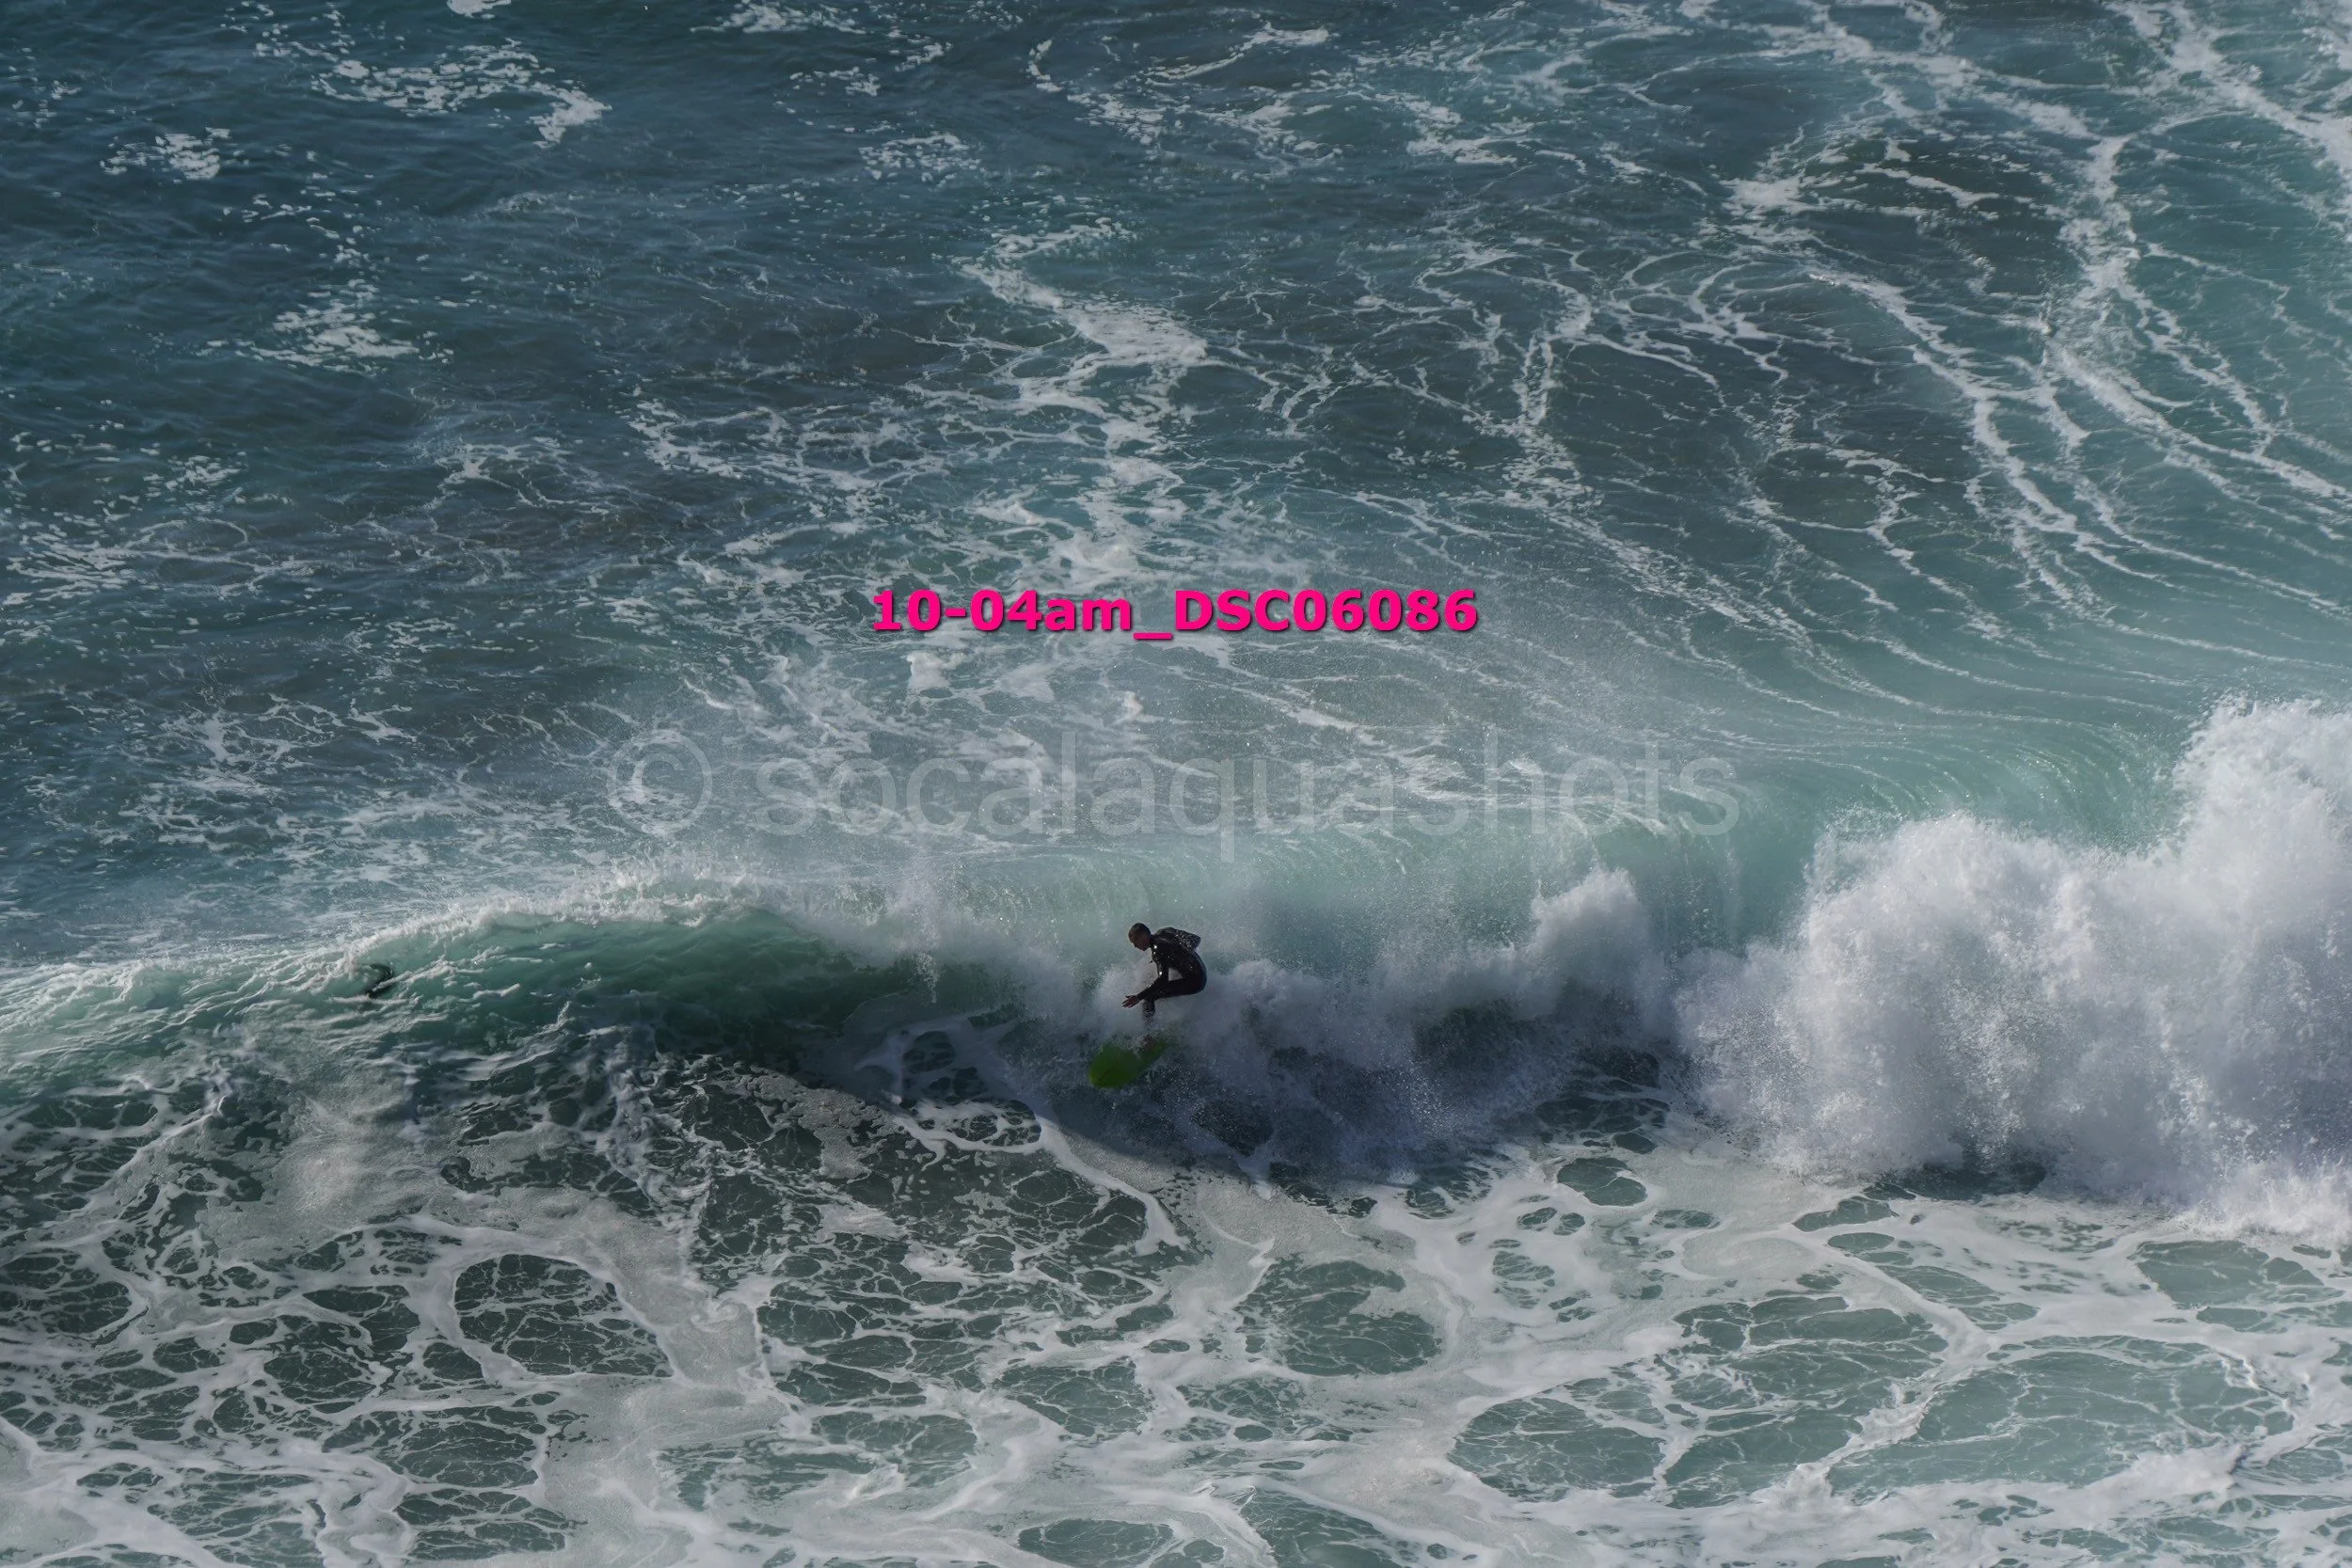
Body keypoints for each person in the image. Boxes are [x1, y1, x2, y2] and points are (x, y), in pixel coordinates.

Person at [1122, 922, 1205, 1025]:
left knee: (1148, 997)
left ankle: (1149, 1034)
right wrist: (1182, 955)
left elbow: (1163, 980)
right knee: (1150, 982)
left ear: (1144, 937)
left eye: (1135, 942)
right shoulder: (1166, 931)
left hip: (1195, 982)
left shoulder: (1158, 952)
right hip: (1201, 970)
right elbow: (1195, 939)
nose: (1135, 946)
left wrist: (1138, 997)